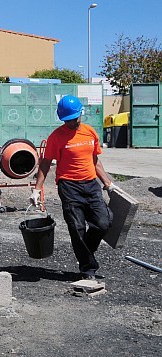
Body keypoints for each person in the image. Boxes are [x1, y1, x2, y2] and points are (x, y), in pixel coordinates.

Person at [31, 95, 114, 280]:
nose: (71, 123)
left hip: (91, 184)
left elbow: (95, 160)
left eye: (74, 118)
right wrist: (37, 189)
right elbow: (45, 163)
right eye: (67, 120)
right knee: (77, 228)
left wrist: (107, 183)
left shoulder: (90, 133)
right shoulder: (56, 137)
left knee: (104, 222)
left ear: (80, 114)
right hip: (69, 186)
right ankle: (87, 268)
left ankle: (85, 251)